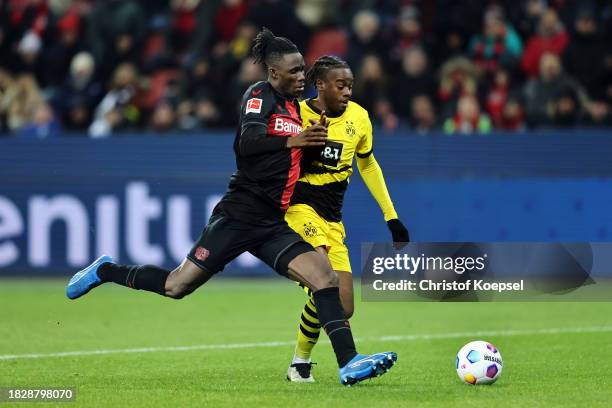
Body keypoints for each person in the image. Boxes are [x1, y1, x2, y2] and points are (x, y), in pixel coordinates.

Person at [66, 29, 396, 386]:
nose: (303, 77)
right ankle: (106, 271)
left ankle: (349, 362)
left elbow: (298, 159)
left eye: (303, 70)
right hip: (238, 215)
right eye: (295, 72)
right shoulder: (260, 96)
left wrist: (314, 144)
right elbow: (247, 143)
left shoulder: (297, 111)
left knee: (324, 277)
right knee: (177, 286)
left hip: (272, 222)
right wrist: (295, 139)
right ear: (273, 73)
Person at [285, 55, 409, 382]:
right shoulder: (296, 114)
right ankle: (348, 360)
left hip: (332, 218)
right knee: (322, 272)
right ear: (320, 85)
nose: (347, 91)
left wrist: (391, 216)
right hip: (298, 208)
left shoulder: (360, 118)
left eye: (350, 85)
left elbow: (367, 164)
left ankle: (299, 364)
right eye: (340, 85)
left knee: (343, 305)